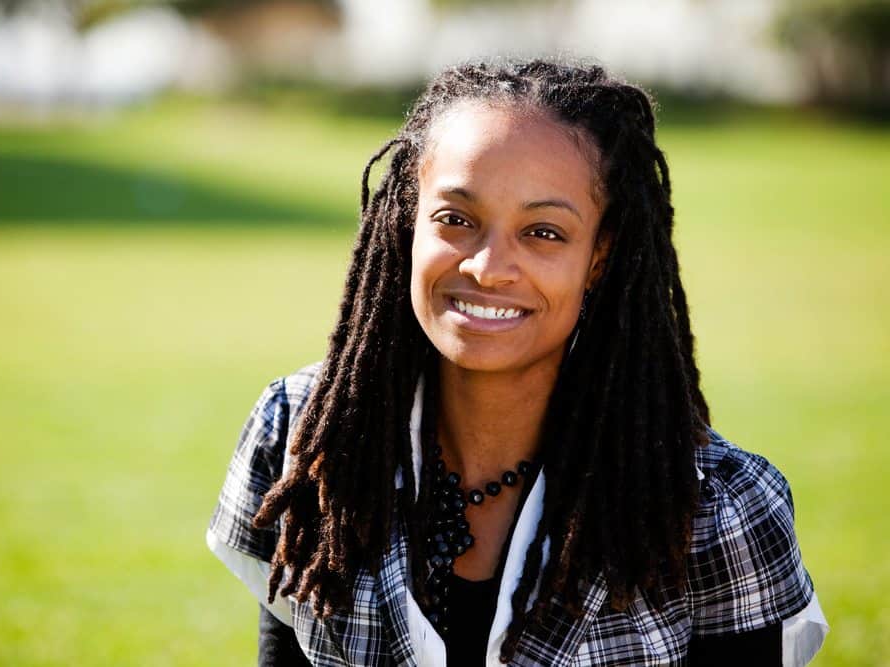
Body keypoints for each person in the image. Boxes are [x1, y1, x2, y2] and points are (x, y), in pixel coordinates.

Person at [206, 59, 829, 666]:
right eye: (456, 219)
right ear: (406, 225)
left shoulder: (715, 505)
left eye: (544, 233)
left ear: (600, 257)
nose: (487, 266)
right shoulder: (307, 439)